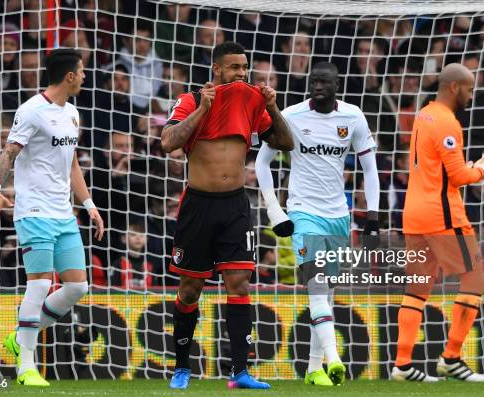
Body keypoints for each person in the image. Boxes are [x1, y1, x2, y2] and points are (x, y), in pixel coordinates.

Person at [161, 41, 293, 389]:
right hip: (198, 206)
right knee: (190, 290)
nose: (241, 73)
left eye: (244, 67)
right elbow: (168, 141)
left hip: (235, 206)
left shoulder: (252, 102)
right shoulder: (191, 99)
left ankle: (240, 373)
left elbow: (285, 142)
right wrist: (203, 109)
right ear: (216, 69)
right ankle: (182, 367)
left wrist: (273, 107)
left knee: (239, 283)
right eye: (234, 67)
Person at [0, 48, 105, 387]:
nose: (83, 76)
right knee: (38, 283)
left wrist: (90, 204)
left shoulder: (73, 113)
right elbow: (9, 152)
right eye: (81, 72)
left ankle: (19, 340)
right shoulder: (31, 111)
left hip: (64, 213)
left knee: (77, 285)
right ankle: (26, 366)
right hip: (33, 211)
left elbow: (72, 163)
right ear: (69, 76)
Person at [255, 62, 380, 386]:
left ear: (336, 85)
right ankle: (335, 359)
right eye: (314, 82)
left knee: (325, 294)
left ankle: (313, 368)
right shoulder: (292, 116)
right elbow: (262, 161)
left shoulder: (352, 117)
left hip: (339, 216)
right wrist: (274, 209)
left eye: (324, 82)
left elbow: (370, 169)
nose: (318, 86)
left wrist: (374, 215)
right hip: (303, 213)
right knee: (317, 289)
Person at [392, 63, 484, 382]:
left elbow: (438, 165)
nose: (472, 94)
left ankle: (402, 365)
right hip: (443, 215)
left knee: (418, 288)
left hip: (413, 212)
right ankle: (451, 357)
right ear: (455, 87)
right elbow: (459, 176)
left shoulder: (424, 113)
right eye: (470, 88)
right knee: (475, 281)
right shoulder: (448, 123)